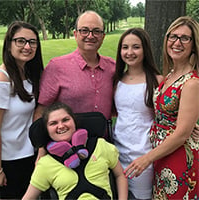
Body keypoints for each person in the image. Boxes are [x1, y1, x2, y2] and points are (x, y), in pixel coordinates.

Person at [124, 16, 199, 199]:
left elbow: (181, 134)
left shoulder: (191, 83)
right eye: (172, 36)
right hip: (162, 154)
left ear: (194, 44)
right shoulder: (170, 75)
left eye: (184, 38)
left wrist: (146, 158)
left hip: (179, 155)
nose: (177, 42)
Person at [22, 102, 128, 200]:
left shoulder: (100, 145)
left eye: (65, 120)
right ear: (47, 130)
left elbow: (120, 176)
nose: (61, 126)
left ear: (74, 121)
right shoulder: (46, 164)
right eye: (53, 123)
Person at [34, 10, 115, 121]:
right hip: (66, 138)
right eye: (84, 31)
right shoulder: (57, 67)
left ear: (103, 36)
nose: (90, 36)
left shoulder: (112, 68)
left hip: (104, 138)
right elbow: (42, 110)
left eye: (96, 31)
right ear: (75, 34)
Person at [112, 28, 163, 200]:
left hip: (144, 156)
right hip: (118, 153)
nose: (129, 52)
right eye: (125, 47)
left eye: (136, 47)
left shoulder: (157, 81)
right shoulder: (117, 80)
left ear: (145, 50)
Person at [0, 21, 44, 199]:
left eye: (32, 42)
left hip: (30, 155)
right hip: (9, 161)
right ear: (9, 44)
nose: (27, 46)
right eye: (21, 41)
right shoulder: (3, 79)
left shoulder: (30, 75)